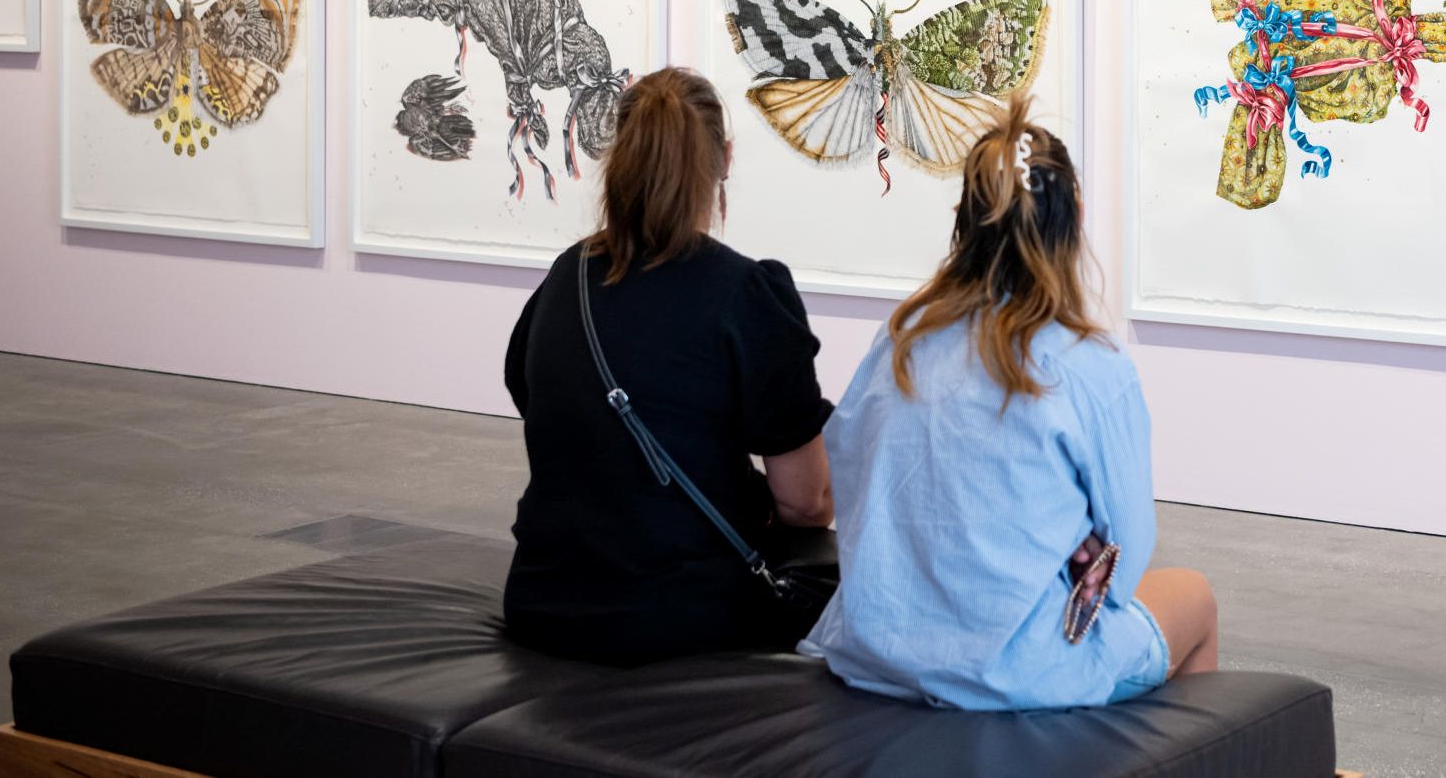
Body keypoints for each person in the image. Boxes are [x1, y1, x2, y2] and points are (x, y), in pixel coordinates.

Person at [800, 94, 1218, 709]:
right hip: (1013, 675)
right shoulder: (1088, 364)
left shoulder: (900, 339)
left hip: (873, 652)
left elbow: (852, 474)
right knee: (1195, 597)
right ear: (1075, 217)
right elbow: (1123, 565)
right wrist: (1072, 550)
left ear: (961, 220)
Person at [503, 67, 834, 665]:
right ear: (724, 158)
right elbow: (806, 505)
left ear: (620, 156)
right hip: (683, 616)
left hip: (543, 600)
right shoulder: (746, 294)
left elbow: (533, 396)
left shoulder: (567, 277)